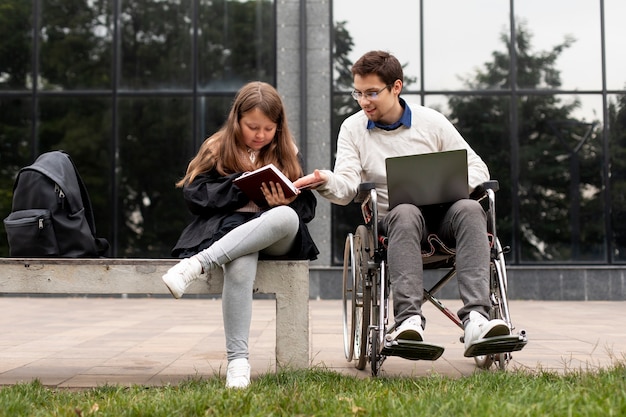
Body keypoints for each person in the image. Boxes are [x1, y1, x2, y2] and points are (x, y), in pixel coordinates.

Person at [294, 50, 509, 357]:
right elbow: (347, 185)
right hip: (395, 223)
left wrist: (455, 183)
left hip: (445, 217)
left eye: (372, 93)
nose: (364, 101)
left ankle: (477, 320)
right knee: (405, 212)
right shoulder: (352, 129)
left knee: (472, 208)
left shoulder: (432, 122)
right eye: (358, 93)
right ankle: (408, 320)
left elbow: (478, 167)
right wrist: (326, 181)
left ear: (396, 87)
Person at [162, 81, 319, 389]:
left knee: (286, 216)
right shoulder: (217, 147)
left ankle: (197, 264)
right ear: (237, 120)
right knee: (242, 259)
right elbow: (195, 197)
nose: (260, 135)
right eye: (252, 127)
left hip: (278, 237)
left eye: (268, 129)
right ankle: (238, 364)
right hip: (230, 234)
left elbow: (306, 208)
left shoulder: (287, 151)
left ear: (279, 127)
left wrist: (286, 200)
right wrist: (240, 184)